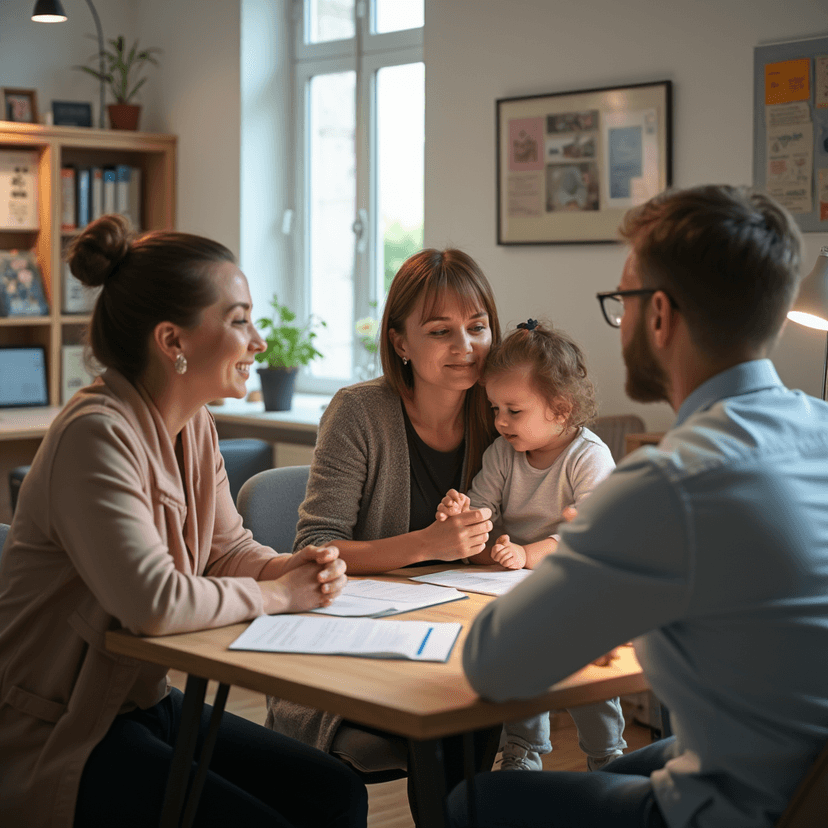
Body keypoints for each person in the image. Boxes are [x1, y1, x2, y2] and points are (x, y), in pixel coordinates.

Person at [447, 184, 828, 828]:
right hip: (802, 778)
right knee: (628, 762)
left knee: (477, 801)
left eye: (619, 302)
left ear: (657, 315)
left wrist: (594, 564)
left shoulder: (671, 482)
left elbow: (494, 665)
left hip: (739, 810)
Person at [0, 215, 367, 828]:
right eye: (239, 319)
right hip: (61, 728)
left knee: (335, 794)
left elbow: (225, 550)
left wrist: (288, 567)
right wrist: (279, 593)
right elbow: (154, 603)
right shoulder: (97, 435)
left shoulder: (192, 424)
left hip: (140, 702)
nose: (259, 342)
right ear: (173, 341)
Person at [266, 248, 501, 808]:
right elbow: (314, 548)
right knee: (456, 728)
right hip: (360, 653)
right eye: (441, 331)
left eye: (478, 327)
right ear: (400, 342)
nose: (464, 347)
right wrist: (429, 544)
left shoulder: (501, 413)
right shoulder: (359, 411)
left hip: (459, 640)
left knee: (487, 710)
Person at [436, 319, 627, 773]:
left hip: (579, 588)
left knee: (583, 673)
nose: (500, 421)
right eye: (495, 408)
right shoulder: (503, 454)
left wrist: (525, 554)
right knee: (519, 662)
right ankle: (522, 750)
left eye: (513, 410)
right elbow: (480, 516)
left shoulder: (589, 456)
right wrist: (460, 516)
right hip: (513, 584)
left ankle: (607, 755)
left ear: (560, 409)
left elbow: (588, 539)